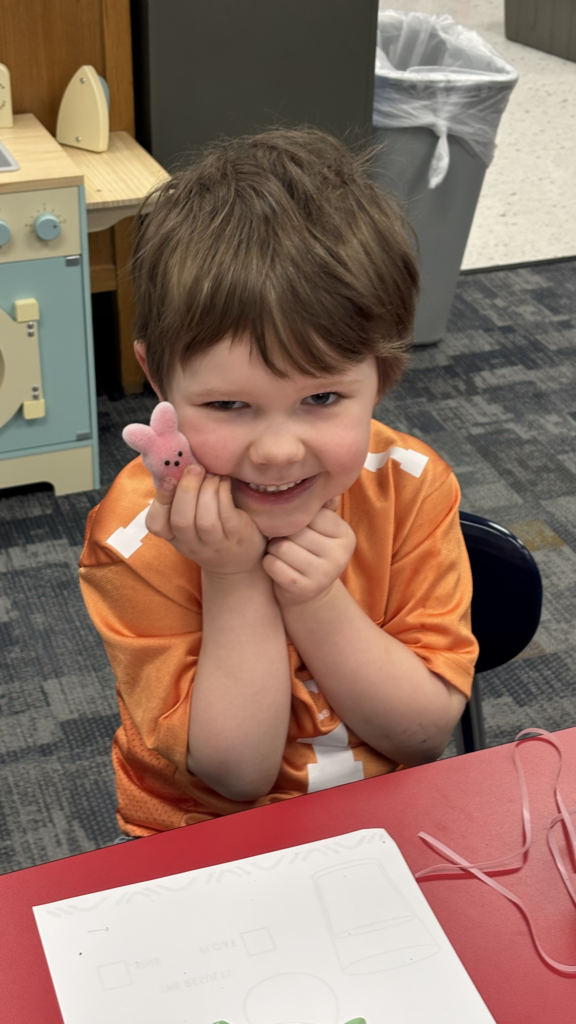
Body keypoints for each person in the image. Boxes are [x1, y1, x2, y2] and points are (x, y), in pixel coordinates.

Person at [79, 128, 478, 838]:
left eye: (321, 398)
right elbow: (236, 772)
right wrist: (233, 577)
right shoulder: (136, 536)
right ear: (158, 378)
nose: (276, 451)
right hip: (196, 835)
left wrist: (316, 598)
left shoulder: (412, 486)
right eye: (229, 405)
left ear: (383, 375)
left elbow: (422, 736)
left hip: (384, 821)